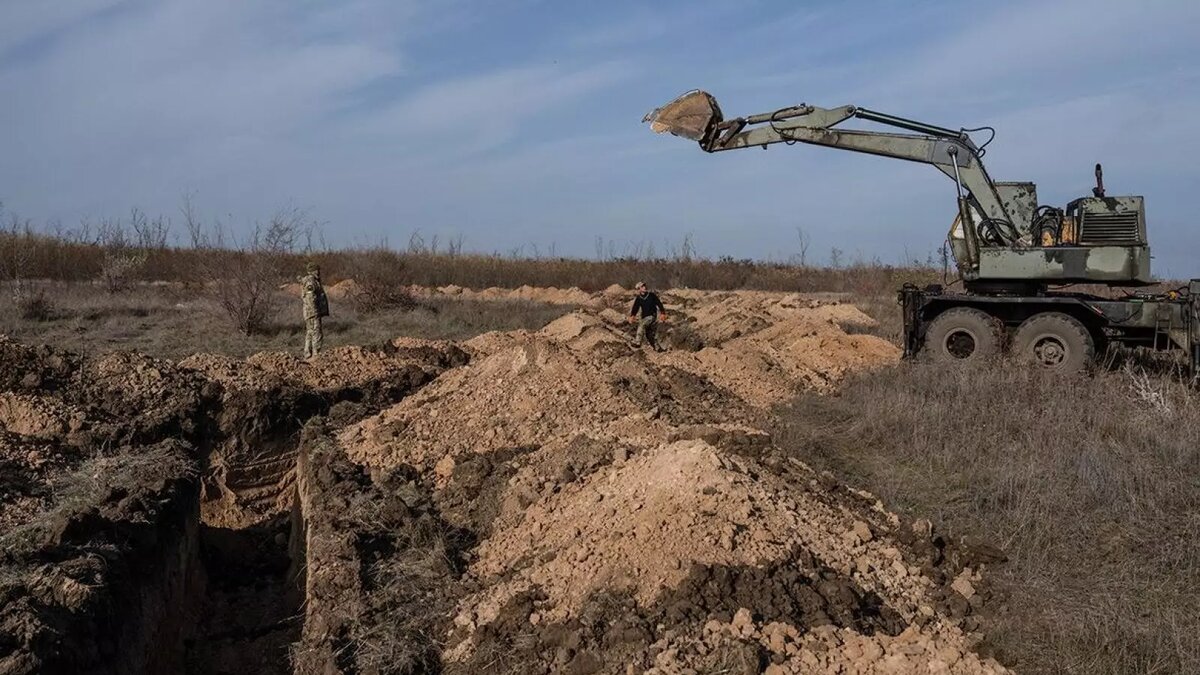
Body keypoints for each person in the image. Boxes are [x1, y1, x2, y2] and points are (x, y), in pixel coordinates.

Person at [300, 262, 329, 358]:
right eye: (317, 270)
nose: (319, 272)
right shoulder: (310, 282)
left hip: (311, 312)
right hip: (312, 312)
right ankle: (316, 354)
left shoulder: (313, 281)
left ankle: (308, 353)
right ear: (314, 271)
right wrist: (315, 311)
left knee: (310, 332)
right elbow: (310, 298)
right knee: (316, 333)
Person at [628, 281, 666, 351]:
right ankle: (658, 348)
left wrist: (662, 313)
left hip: (652, 316)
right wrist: (632, 316)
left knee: (641, 324)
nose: (644, 287)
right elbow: (635, 308)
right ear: (639, 289)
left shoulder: (651, 295)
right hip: (644, 317)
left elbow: (659, 304)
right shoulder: (639, 298)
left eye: (644, 286)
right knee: (649, 334)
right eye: (642, 287)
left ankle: (638, 343)